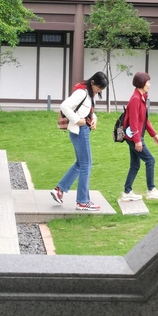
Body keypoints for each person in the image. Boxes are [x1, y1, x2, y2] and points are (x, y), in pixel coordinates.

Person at [50, 71, 108, 211]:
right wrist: (77, 120)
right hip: (80, 131)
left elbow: (87, 111)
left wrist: (94, 120)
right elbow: (64, 106)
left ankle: (59, 189)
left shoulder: (89, 93)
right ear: (92, 82)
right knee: (86, 165)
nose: (99, 91)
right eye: (99, 88)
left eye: (101, 89)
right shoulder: (82, 92)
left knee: (80, 164)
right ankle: (82, 201)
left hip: (82, 130)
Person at [120, 72, 158, 201]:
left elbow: (144, 120)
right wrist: (137, 141)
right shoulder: (136, 99)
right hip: (134, 137)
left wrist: (154, 134)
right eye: (148, 82)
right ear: (142, 83)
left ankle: (127, 192)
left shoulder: (141, 97)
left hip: (134, 136)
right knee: (150, 160)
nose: (149, 85)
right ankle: (151, 190)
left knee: (135, 165)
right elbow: (133, 122)